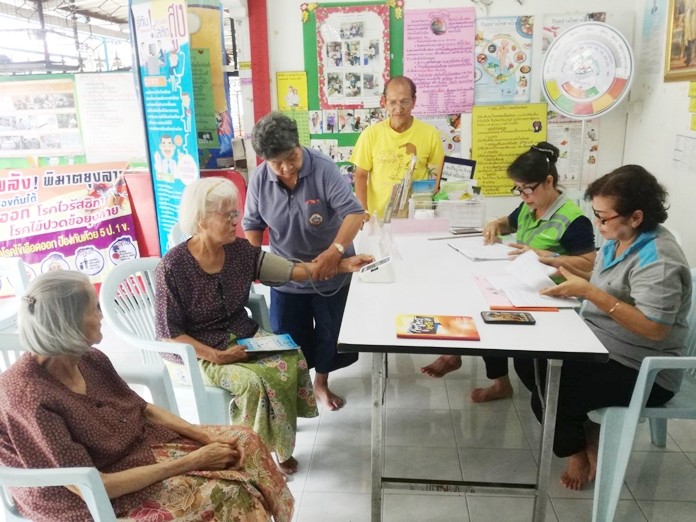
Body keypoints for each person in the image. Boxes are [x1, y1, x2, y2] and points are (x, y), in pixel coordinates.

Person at [0, 271, 294, 522]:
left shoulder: (88, 358)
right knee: (229, 492)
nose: (103, 315)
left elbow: (142, 409)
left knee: (245, 441)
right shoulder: (31, 398)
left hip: (131, 448)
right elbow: (92, 486)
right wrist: (192, 461)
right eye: (94, 309)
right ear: (69, 324)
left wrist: (202, 437)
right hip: (86, 498)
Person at [156, 177, 372, 475]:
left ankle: (280, 445)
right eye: (228, 215)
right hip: (197, 352)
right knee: (253, 384)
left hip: (241, 335)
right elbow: (169, 335)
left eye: (237, 213)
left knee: (291, 357)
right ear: (202, 219)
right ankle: (247, 455)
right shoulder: (173, 266)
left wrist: (344, 265)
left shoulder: (240, 252)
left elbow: (291, 271)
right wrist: (218, 356)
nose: (237, 222)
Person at [515, 165, 691, 490]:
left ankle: (577, 450)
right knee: (527, 357)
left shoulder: (658, 260)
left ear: (636, 217)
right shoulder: (619, 237)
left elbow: (654, 329)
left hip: (642, 370)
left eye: (603, 216)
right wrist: (552, 262)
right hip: (598, 342)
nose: (597, 223)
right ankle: (583, 431)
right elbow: (598, 276)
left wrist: (588, 292)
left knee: (552, 390)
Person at [421, 143, 596, 403]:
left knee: (490, 315)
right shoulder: (529, 206)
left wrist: (549, 257)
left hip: (553, 296)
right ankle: (492, 378)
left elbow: (589, 267)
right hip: (522, 284)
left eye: (527, 189)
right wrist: (494, 223)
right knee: (479, 305)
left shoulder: (574, 220)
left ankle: (475, 366)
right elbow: (507, 223)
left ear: (549, 182)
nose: (523, 196)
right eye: (519, 189)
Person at [243, 112, 367, 412]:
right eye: (276, 163)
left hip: (331, 273)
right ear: (265, 161)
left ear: (299, 145)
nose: (285, 168)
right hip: (286, 277)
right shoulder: (260, 180)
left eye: (291, 158)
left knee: (329, 335)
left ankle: (321, 383)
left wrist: (335, 250)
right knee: (288, 341)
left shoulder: (324, 169)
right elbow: (252, 224)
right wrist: (252, 263)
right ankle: (297, 390)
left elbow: (355, 213)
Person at [351, 76, 445, 218]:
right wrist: (363, 212)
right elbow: (360, 175)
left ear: (414, 102)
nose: (398, 109)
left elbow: (437, 175)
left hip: (418, 217)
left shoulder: (430, 134)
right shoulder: (370, 134)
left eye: (405, 102)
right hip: (380, 219)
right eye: (393, 102)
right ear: (384, 102)